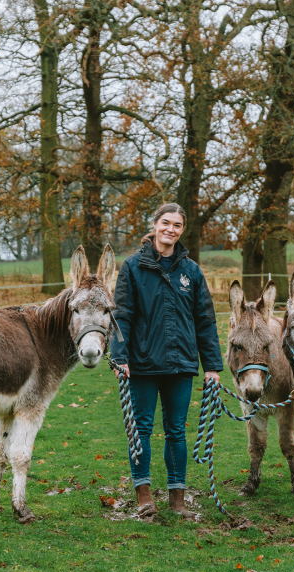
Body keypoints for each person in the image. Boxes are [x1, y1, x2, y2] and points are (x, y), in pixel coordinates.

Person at [110, 203, 223, 519]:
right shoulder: (133, 267)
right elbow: (123, 315)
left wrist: (212, 366)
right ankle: (144, 495)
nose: (170, 229)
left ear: (181, 231)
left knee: (176, 430)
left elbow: (205, 320)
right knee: (141, 429)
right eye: (165, 223)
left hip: (181, 364)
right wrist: (119, 356)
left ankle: (177, 499)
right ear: (155, 225)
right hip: (142, 364)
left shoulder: (191, 271)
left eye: (176, 225)